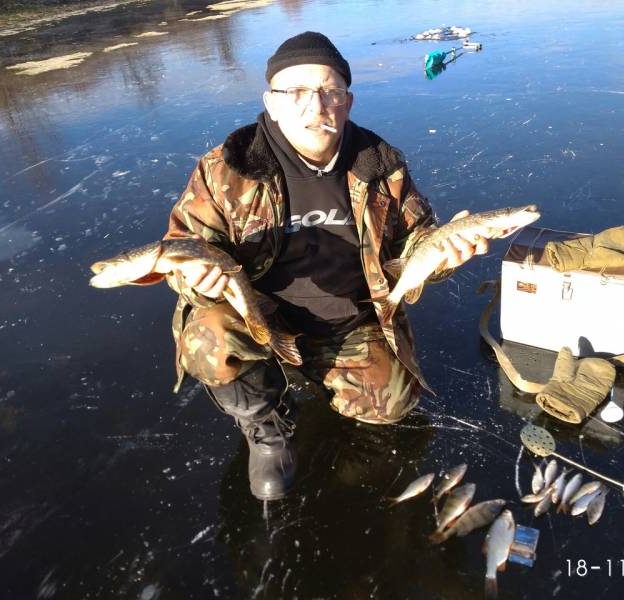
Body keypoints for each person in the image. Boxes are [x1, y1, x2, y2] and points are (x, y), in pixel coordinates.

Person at [164, 31, 488, 501]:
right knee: (208, 338)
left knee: (391, 405)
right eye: (295, 91)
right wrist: (195, 278)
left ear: (348, 101)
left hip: (347, 321)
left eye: (330, 90)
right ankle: (266, 428)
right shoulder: (227, 169)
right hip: (257, 315)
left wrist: (445, 255)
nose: (315, 105)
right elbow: (183, 247)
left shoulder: (381, 167)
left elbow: (416, 243)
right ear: (270, 102)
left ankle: (321, 369)